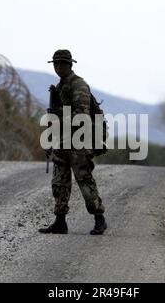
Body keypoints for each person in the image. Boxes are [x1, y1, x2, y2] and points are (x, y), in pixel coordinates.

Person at [39, 49, 107, 235]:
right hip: (63, 140)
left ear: (70, 65)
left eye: (62, 63)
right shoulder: (60, 87)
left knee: (84, 179)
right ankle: (60, 222)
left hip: (79, 140)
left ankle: (99, 218)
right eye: (56, 63)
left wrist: (59, 118)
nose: (59, 67)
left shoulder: (78, 85)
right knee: (59, 182)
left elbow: (82, 116)